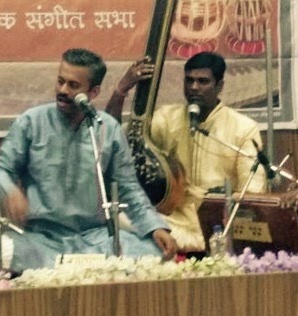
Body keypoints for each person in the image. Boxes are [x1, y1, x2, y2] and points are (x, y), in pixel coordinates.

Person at [0, 48, 176, 274]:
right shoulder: (31, 121)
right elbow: (2, 170)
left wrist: (154, 227)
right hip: (42, 239)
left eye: (73, 85)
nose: (62, 90)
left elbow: (129, 187)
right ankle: (86, 267)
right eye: (60, 81)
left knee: (153, 251)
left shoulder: (106, 128)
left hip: (95, 238)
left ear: (93, 92)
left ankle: (66, 267)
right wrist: (10, 191)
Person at [105, 51, 268, 253]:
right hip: (174, 220)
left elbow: (253, 191)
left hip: (219, 224)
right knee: (117, 218)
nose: (194, 88)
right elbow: (113, 137)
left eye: (203, 81)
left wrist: (226, 206)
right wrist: (121, 89)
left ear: (219, 86)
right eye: (189, 80)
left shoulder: (243, 128)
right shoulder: (167, 118)